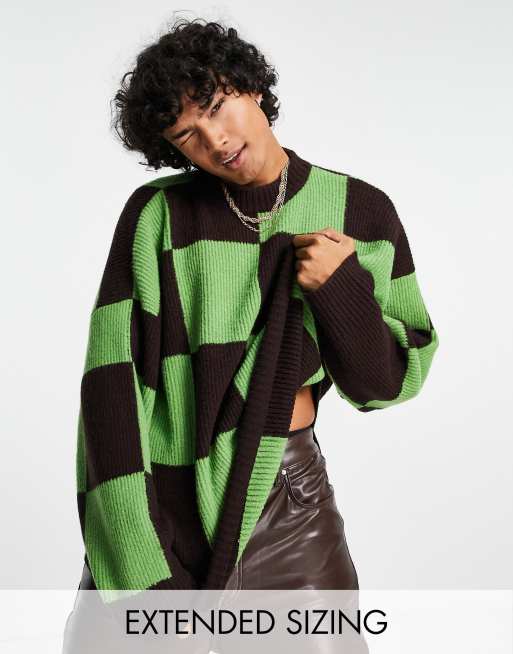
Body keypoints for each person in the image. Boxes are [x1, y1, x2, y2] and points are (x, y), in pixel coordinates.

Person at [64, 16, 439, 653]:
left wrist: (341, 290)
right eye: (187, 133)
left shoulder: (361, 210)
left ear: (252, 88)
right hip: (164, 501)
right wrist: (135, 552)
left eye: (216, 106)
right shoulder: (157, 216)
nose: (214, 139)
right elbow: (110, 390)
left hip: (288, 505)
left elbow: (384, 387)